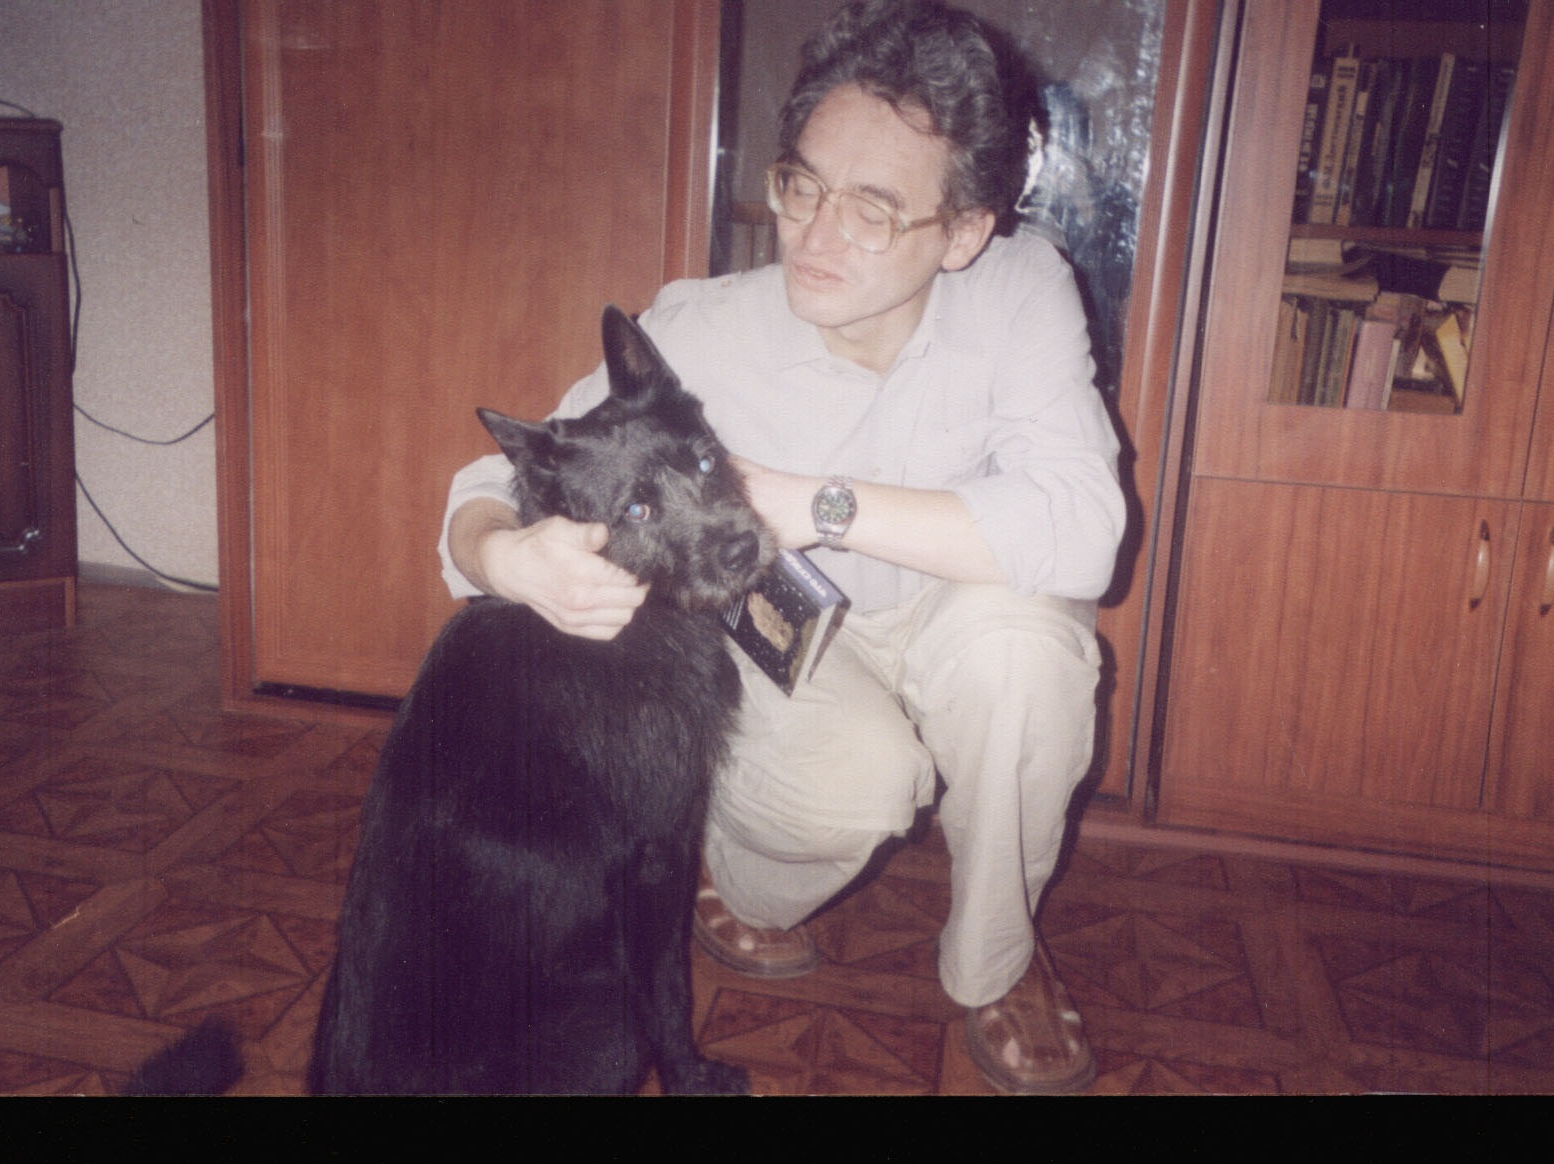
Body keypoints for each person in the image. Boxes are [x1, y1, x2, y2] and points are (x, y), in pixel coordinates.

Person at [439, 0, 1124, 1095]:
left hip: (952, 605)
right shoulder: (705, 326)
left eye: (872, 210)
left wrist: (814, 504)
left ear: (962, 233)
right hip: (782, 641)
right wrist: (505, 559)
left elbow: (1088, 532)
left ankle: (998, 962)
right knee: (860, 785)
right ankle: (738, 879)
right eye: (802, 186)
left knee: (1029, 659)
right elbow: (499, 478)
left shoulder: (1023, 292)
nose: (814, 235)